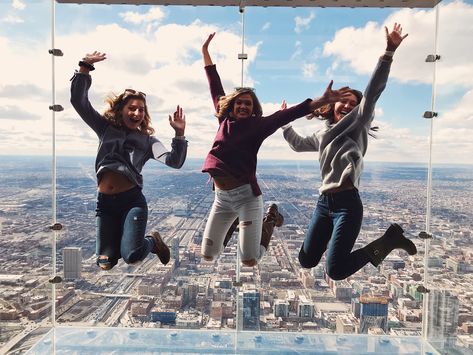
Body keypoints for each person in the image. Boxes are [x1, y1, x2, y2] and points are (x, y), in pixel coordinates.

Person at [201, 33, 354, 267]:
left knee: (249, 260)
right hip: (221, 199)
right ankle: (233, 223)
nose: (243, 105)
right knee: (208, 255)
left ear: (253, 110)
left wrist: (323, 100)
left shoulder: (258, 126)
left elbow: (290, 113)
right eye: (239, 102)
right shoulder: (224, 121)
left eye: (248, 103)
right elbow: (214, 85)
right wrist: (206, 53)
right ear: (231, 106)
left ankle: (270, 219)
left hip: (246, 198)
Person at [281, 23, 417, 280]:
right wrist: (285, 121)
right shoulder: (323, 135)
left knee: (335, 271)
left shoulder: (358, 125)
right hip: (324, 204)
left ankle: (386, 242)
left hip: (347, 205)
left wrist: (388, 53)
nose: (348, 106)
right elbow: (298, 144)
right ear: (331, 106)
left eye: (354, 104)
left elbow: (373, 92)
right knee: (305, 260)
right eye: (343, 101)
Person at [70, 51, 188, 271]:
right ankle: (119, 242)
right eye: (131, 108)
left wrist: (179, 135)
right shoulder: (105, 128)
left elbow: (174, 161)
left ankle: (152, 241)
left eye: (141, 110)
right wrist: (85, 66)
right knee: (105, 262)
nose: (136, 113)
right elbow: (79, 101)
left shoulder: (148, 141)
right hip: (104, 204)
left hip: (131, 201)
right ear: (120, 110)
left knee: (132, 255)